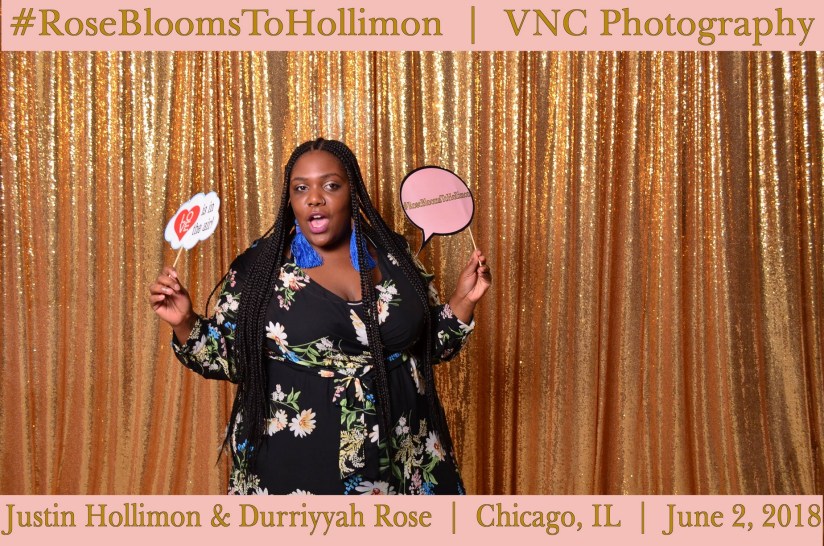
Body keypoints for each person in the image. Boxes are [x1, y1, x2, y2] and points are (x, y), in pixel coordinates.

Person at [149, 138, 491, 494]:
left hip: (405, 455)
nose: (314, 198)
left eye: (330, 185)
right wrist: (184, 321)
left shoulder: (394, 254)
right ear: (290, 199)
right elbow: (230, 360)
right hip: (299, 461)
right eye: (301, 188)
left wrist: (463, 299)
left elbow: (429, 346)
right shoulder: (260, 269)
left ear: (351, 192)